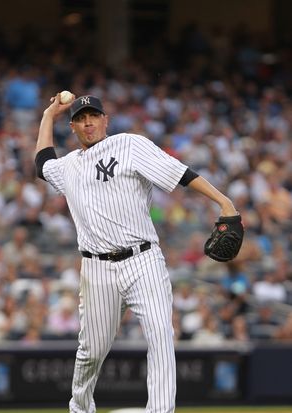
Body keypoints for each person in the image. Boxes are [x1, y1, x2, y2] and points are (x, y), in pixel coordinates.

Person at [34, 93, 239, 413]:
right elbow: (42, 163)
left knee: (161, 336)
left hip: (143, 260)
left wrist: (223, 201)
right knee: (91, 352)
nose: (88, 122)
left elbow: (180, 173)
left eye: (94, 115)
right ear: (72, 126)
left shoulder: (129, 144)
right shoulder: (68, 166)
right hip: (96, 269)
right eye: (81, 118)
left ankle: (161, 411)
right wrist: (48, 116)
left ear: (106, 120)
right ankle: (79, 408)